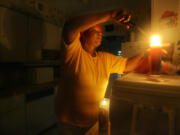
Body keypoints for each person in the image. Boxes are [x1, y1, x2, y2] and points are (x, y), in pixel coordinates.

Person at [55, 9, 146, 135]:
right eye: (95, 31)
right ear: (83, 34)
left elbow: (128, 65)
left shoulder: (104, 58)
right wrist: (110, 15)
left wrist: (148, 53)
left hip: (95, 121)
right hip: (70, 126)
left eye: (101, 32)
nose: (100, 35)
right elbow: (70, 26)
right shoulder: (73, 53)